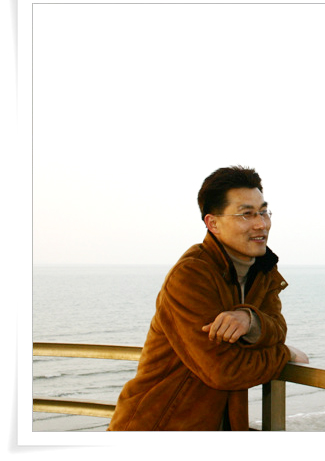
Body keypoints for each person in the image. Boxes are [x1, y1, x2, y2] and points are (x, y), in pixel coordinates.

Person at [108, 166, 308, 431]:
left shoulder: (263, 270)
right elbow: (223, 371)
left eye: (263, 212)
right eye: (246, 214)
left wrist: (250, 320)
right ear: (213, 223)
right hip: (159, 425)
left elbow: (277, 329)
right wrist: (284, 355)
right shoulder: (191, 275)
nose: (261, 224)